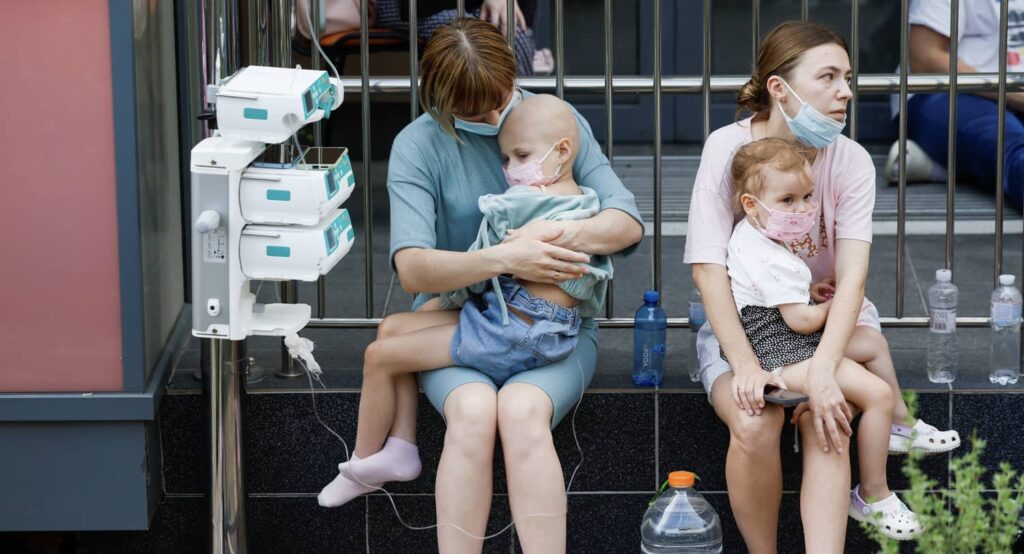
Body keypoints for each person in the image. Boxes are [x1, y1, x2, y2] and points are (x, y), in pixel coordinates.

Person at [335, 18, 641, 552]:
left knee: (523, 412)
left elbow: (627, 224)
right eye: (478, 111)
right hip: (462, 316)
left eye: (501, 98)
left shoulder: (548, 121)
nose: (497, 118)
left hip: (551, 326)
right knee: (472, 411)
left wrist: (556, 236)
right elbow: (412, 268)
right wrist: (503, 259)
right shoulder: (418, 146)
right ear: (441, 99)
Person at [684, 20, 958, 553]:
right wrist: (744, 364)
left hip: (831, 322)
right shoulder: (727, 148)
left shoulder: (851, 160)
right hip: (746, 328)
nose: (846, 92)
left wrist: (827, 373)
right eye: (828, 77)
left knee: (824, 416)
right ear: (779, 90)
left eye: (848, 77)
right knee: (755, 422)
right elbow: (706, 268)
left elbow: (853, 278)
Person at [316, 94, 614, 510]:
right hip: (547, 326)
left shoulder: (512, 206)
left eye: (520, 156)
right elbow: (596, 277)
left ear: (562, 150)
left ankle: (361, 464)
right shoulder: (588, 205)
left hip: (511, 331)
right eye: (506, 159)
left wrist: (445, 301)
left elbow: (480, 271)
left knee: (380, 355)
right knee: (394, 327)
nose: (510, 170)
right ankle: (401, 446)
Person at [724, 137, 921, 540]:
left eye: (808, 196)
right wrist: (835, 305)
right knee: (876, 394)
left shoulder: (761, 237)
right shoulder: (764, 252)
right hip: (784, 354)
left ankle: (901, 424)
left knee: (871, 343)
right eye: (788, 200)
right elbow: (799, 322)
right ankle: (872, 493)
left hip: (791, 342)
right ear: (750, 204)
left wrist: (811, 292)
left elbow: (776, 296)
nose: (802, 209)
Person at [885, 0, 1024, 206]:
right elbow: (923, 57)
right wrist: (1015, 93)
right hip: (945, 92)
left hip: (1011, 97)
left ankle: (941, 167)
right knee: (1013, 148)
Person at [375, 0, 543, 75]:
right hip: (409, 7)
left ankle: (524, 124)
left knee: (514, 34)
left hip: (475, 7)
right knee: (458, 32)